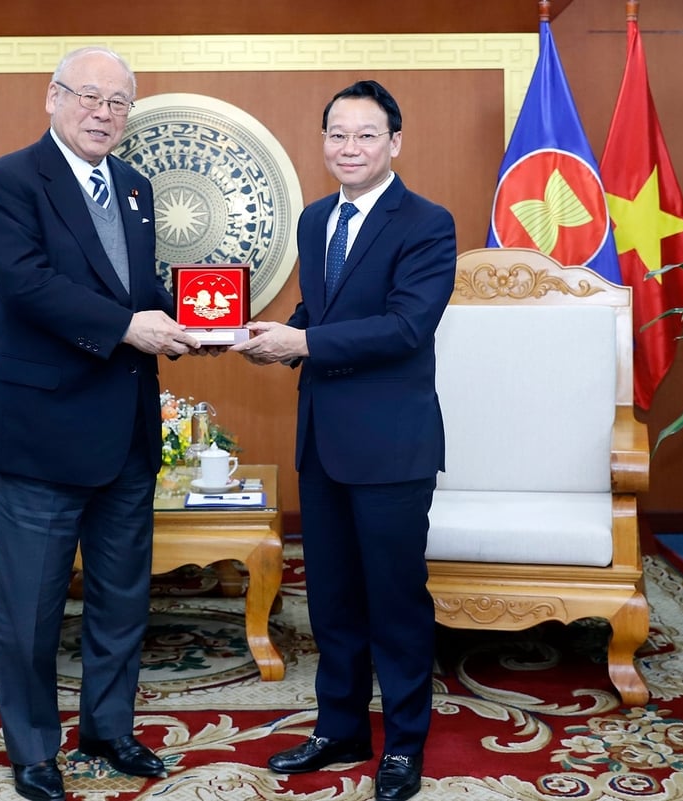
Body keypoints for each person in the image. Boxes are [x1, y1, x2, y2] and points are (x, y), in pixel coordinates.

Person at [0, 46, 201, 801]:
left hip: (126, 430)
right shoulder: (9, 181)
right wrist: (130, 327)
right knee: (30, 610)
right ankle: (34, 748)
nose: (103, 113)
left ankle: (109, 726)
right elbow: (27, 284)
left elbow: (141, 291)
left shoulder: (135, 186)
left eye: (118, 103)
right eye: (89, 97)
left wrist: (204, 319)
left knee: (122, 597)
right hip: (43, 430)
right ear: (52, 98)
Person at [231, 80, 457, 801]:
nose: (348, 147)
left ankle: (404, 745)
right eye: (337, 134)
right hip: (323, 439)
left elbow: (405, 326)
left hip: (392, 444)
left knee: (393, 600)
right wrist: (274, 336)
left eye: (365, 135)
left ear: (395, 142)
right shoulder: (315, 218)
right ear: (323, 140)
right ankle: (340, 727)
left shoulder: (427, 222)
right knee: (329, 597)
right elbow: (324, 307)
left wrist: (306, 339)